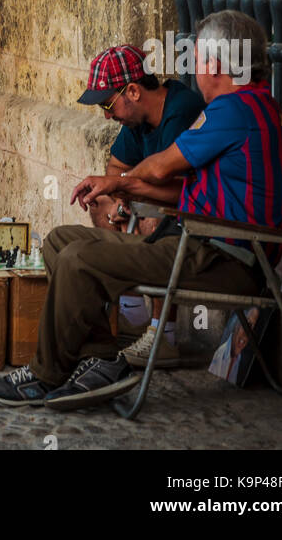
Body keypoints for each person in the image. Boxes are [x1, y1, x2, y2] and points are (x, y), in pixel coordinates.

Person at [0, 10, 282, 410]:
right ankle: (104, 360)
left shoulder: (234, 109)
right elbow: (190, 190)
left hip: (220, 255)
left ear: (214, 65)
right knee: (61, 241)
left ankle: (45, 373)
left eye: (196, 61)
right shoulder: (249, 106)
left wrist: (121, 182)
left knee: (79, 257)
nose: (193, 72)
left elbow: (162, 166)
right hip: (204, 242)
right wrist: (118, 183)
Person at [77, 44, 204, 362]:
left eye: (108, 104)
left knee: (152, 217)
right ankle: (132, 306)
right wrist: (123, 202)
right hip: (154, 204)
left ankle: (164, 334)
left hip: (194, 216)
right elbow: (114, 172)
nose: (107, 115)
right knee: (99, 201)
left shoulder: (181, 109)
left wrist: (130, 195)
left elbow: (170, 182)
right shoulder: (136, 120)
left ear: (132, 91)